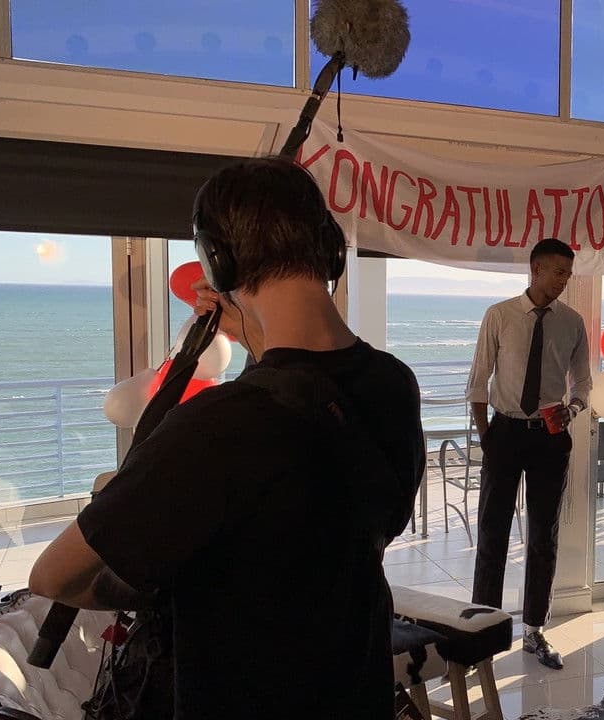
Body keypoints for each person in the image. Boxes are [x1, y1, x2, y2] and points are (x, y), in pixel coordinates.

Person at [30, 157, 424, 719]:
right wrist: (251, 331)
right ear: (329, 248)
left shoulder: (213, 426)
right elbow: (348, 505)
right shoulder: (395, 385)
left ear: (218, 261)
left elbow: (52, 576)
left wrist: (146, 585)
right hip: (356, 689)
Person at [465, 237, 592, 671]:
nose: (564, 281)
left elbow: (583, 382)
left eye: (568, 274)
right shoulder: (500, 315)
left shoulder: (572, 322)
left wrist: (572, 409)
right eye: (558, 272)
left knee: (543, 536)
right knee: (492, 532)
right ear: (535, 269)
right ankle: (481, 631)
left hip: (550, 437)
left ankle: (535, 629)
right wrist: (486, 436)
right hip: (504, 433)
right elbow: (479, 378)